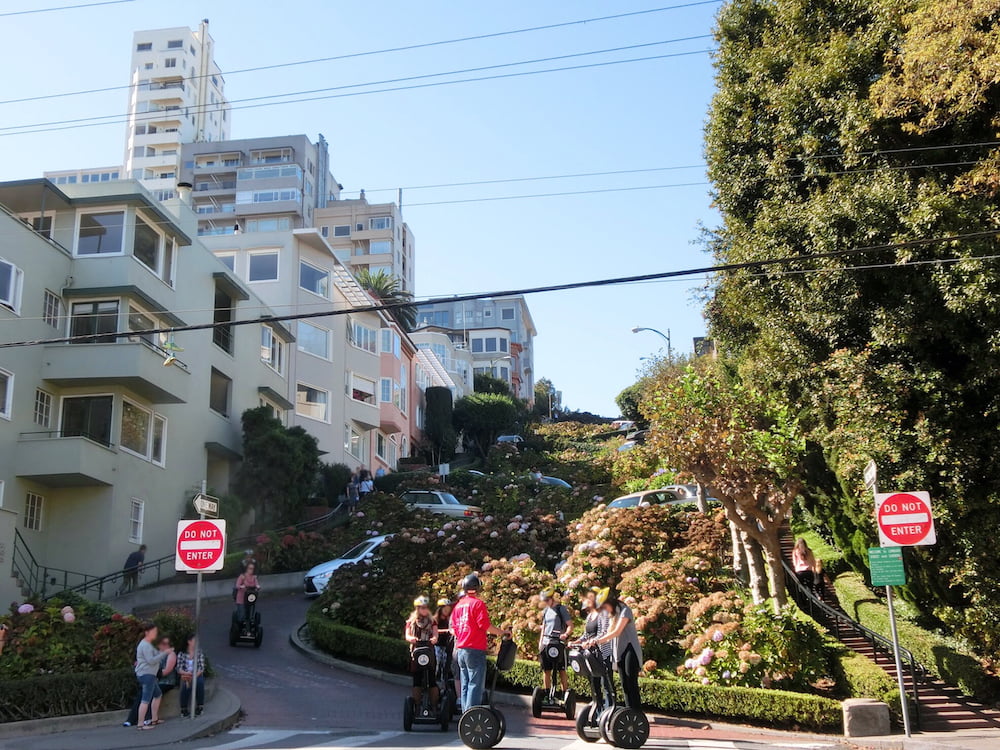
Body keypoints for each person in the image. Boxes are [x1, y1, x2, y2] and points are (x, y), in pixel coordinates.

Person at [451, 573, 508, 711]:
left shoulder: (458, 606)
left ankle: (465, 716)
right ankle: (472, 716)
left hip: (461, 649)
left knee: (465, 683)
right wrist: (502, 632)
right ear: (477, 588)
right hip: (475, 648)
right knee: (475, 684)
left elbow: (453, 628)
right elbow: (485, 626)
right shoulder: (478, 604)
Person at [591, 588, 643, 711]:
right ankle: (629, 713)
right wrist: (592, 641)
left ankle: (637, 713)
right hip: (619, 651)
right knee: (624, 684)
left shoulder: (625, 611)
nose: (604, 610)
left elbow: (616, 632)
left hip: (630, 650)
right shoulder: (613, 615)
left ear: (610, 603)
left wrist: (598, 641)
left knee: (631, 683)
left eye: (604, 606)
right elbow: (607, 633)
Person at [124, 635, 177, 727]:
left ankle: (148, 719)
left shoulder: (171, 654)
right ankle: (131, 720)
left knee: (151, 692)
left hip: (166, 681)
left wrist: (154, 672)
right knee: (142, 693)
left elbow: (167, 670)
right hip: (154, 680)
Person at [581, 588, 614, 713]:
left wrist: (593, 641)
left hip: (602, 653)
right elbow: (585, 635)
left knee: (606, 684)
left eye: (590, 597)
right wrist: (576, 642)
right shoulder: (590, 616)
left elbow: (604, 632)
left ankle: (609, 710)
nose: (588, 600)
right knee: (594, 684)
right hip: (591, 655)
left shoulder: (603, 613)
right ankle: (598, 708)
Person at [404, 596, 439, 711]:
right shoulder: (412, 621)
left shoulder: (432, 621)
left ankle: (434, 706)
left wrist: (434, 638)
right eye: (422, 608)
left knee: (432, 679)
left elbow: (435, 634)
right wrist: (411, 638)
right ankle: (417, 705)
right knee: (417, 679)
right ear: (417, 609)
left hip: (428, 650)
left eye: (425, 607)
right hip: (417, 651)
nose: (424, 610)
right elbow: (407, 635)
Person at [538, 590, 572, 695]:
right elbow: (544, 627)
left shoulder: (561, 609)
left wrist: (565, 635)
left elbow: (570, 625)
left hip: (558, 643)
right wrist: (541, 642)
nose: (546, 602)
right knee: (546, 670)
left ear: (552, 599)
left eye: (547, 600)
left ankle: (564, 693)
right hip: (546, 642)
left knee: (561, 670)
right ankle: (547, 693)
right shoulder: (546, 611)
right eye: (544, 601)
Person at [133, 622, 163, 730]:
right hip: (147, 674)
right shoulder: (145, 645)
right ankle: (141, 724)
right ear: (147, 632)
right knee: (145, 699)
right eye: (154, 632)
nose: (155, 634)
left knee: (157, 694)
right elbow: (151, 660)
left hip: (149, 674)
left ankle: (154, 718)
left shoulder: (148, 644)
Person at [435, 598, 458, 702]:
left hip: (447, 646)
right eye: (445, 608)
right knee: (437, 663)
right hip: (437, 646)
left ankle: (444, 686)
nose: (447, 610)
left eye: (448, 608)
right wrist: (446, 631)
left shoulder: (450, 619)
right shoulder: (435, 620)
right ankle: (435, 683)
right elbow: (432, 631)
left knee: (446, 666)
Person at [178, 636, 206, 717]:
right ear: (189, 642)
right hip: (186, 674)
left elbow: (201, 667)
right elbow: (179, 668)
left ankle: (200, 707)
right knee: (186, 685)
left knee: (199, 682)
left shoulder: (199, 652)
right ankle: (184, 709)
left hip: (196, 674)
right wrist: (187, 674)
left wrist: (194, 675)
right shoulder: (182, 653)